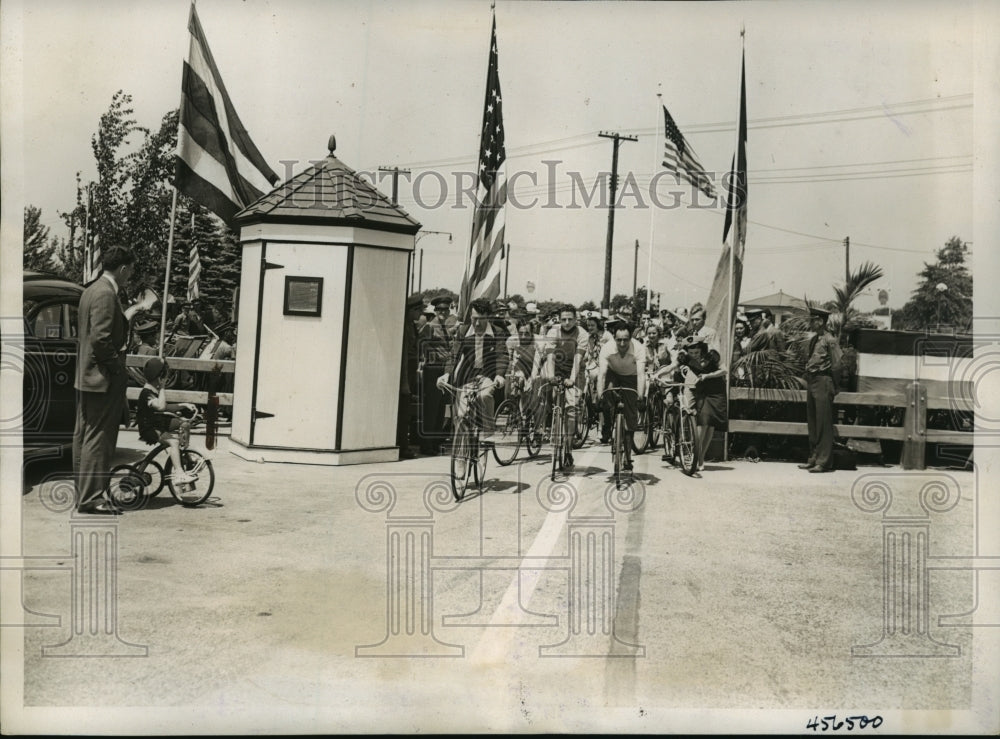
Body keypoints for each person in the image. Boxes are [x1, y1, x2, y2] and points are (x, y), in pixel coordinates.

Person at [73, 245, 138, 514]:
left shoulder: (90, 290)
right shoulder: (106, 294)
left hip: (87, 377)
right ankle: (91, 498)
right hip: (102, 379)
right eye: (130, 271)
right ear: (123, 269)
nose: (130, 276)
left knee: (85, 436)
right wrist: (117, 370)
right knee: (98, 438)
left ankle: (85, 495)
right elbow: (101, 339)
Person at [437, 298, 508, 440]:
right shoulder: (463, 331)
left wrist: (500, 375)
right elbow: (454, 355)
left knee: (484, 396)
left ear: (488, 317)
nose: (476, 323)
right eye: (474, 318)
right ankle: (460, 457)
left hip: (488, 375)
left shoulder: (497, 332)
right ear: (470, 316)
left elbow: (502, 355)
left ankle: (488, 433)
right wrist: (446, 374)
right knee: (461, 415)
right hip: (468, 376)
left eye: (481, 319)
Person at [663, 335, 727, 472]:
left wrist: (707, 376)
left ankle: (700, 456)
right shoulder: (684, 357)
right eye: (691, 353)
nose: (694, 355)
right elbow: (671, 367)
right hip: (700, 388)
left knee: (709, 424)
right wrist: (657, 374)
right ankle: (694, 452)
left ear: (702, 349)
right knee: (702, 421)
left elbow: (724, 370)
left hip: (714, 388)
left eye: (697, 352)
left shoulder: (711, 355)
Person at [136, 357, 200, 492]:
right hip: (150, 428)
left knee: (184, 424)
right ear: (159, 376)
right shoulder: (147, 393)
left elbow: (165, 408)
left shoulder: (152, 390)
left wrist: (183, 405)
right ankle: (179, 474)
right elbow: (160, 407)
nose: (166, 378)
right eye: (164, 376)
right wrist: (163, 388)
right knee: (174, 442)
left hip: (158, 423)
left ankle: (185, 457)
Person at [543, 304, 589, 468]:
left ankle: (568, 447)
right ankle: (548, 420)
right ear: (559, 320)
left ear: (576, 319)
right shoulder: (553, 332)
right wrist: (550, 375)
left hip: (575, 371)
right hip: (557, 367)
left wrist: (571, 379)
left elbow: (578, 358)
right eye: (564, 319)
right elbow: (550, 357)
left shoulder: (582, 334)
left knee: (572, 408)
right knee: (543, 386)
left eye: (570, 319)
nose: (567, 322)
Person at [596, 323, 647, 470]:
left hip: (631, 376)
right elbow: (602, 374)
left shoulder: (638, 348)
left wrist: (641, 398)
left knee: (630, 416)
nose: (622, 343)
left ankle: (628, 457)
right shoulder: (607, 348)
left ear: (631, 338)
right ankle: (610, 424)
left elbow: (641, 375)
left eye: (626, 339)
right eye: (619, 340)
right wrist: (600, 397)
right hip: (613, 374)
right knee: (608, 395)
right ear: (614, 338)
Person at [800, 306, 841, 473]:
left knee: (823, 422)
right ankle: (814, 457)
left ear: (821, 321)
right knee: (813, 422)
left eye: (813, 320)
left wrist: (834, 385)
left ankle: (824, 461)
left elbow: (837, 365)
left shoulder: (830, 340)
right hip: (812, 381)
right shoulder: (814, 340)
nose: (811, 323)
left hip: (824, 380)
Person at [397, 294, 424, 459]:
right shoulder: (405, 328)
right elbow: (405, 357)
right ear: (412, 310)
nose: (420, 314)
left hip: (409, 372)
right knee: (404, 413)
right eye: (419, 310)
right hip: (404, 374)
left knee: (406, 412)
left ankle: (403, 445)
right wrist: (405, 383)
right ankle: (402, 446)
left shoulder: (410, 326)